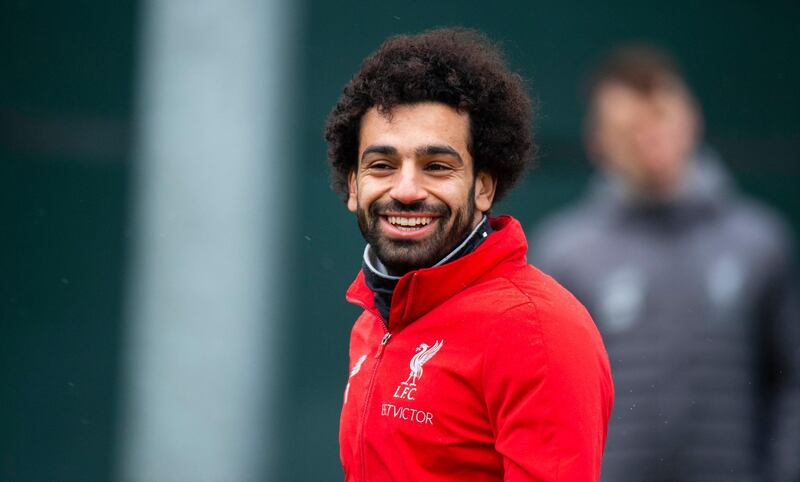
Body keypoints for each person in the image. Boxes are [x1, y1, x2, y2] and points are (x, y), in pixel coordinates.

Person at [324, 28, 614, 481]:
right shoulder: (374, 320)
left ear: (483, 186)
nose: (405, 190)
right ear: (354, 186)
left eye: (436, 167)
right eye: (382, 165)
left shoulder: (537, 331)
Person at [529, 45, 800, 482]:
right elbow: (544, 399)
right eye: (630, 128)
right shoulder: (565, 254)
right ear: (597, 142)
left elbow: (791, 380)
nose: (649, 139)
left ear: (692, 118)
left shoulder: (759, 243)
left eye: (660, 118)